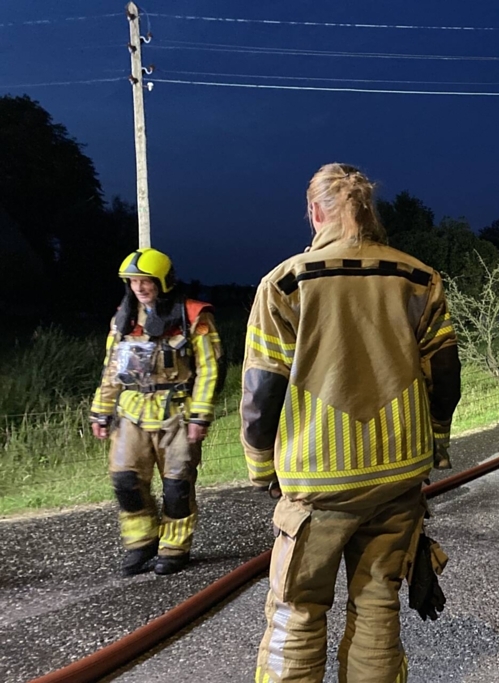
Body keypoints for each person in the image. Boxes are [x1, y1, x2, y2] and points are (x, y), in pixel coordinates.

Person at [243, 163, 462, 682]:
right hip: (398, 477)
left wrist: (260, 467)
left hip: (318, 482)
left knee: (297, 613)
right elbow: (446, 373)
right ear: (368, 211)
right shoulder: (419, 278)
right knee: (378, 609)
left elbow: (262, 389)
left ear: (316, 212)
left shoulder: (285, 283)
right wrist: (436, 445)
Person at [89, 248, 223, 576]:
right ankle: (141, 542)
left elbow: (209, 369)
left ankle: (174, 546)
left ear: (163, 281)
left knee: (177, 486)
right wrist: (100, 411)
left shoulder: (194, 316)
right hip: (131, 412)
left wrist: (200, 415)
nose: (139, 287)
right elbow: (112, 369)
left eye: (145, 281)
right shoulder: (123, 318)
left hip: (176, 413)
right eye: (133, 281)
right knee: (125, 480)